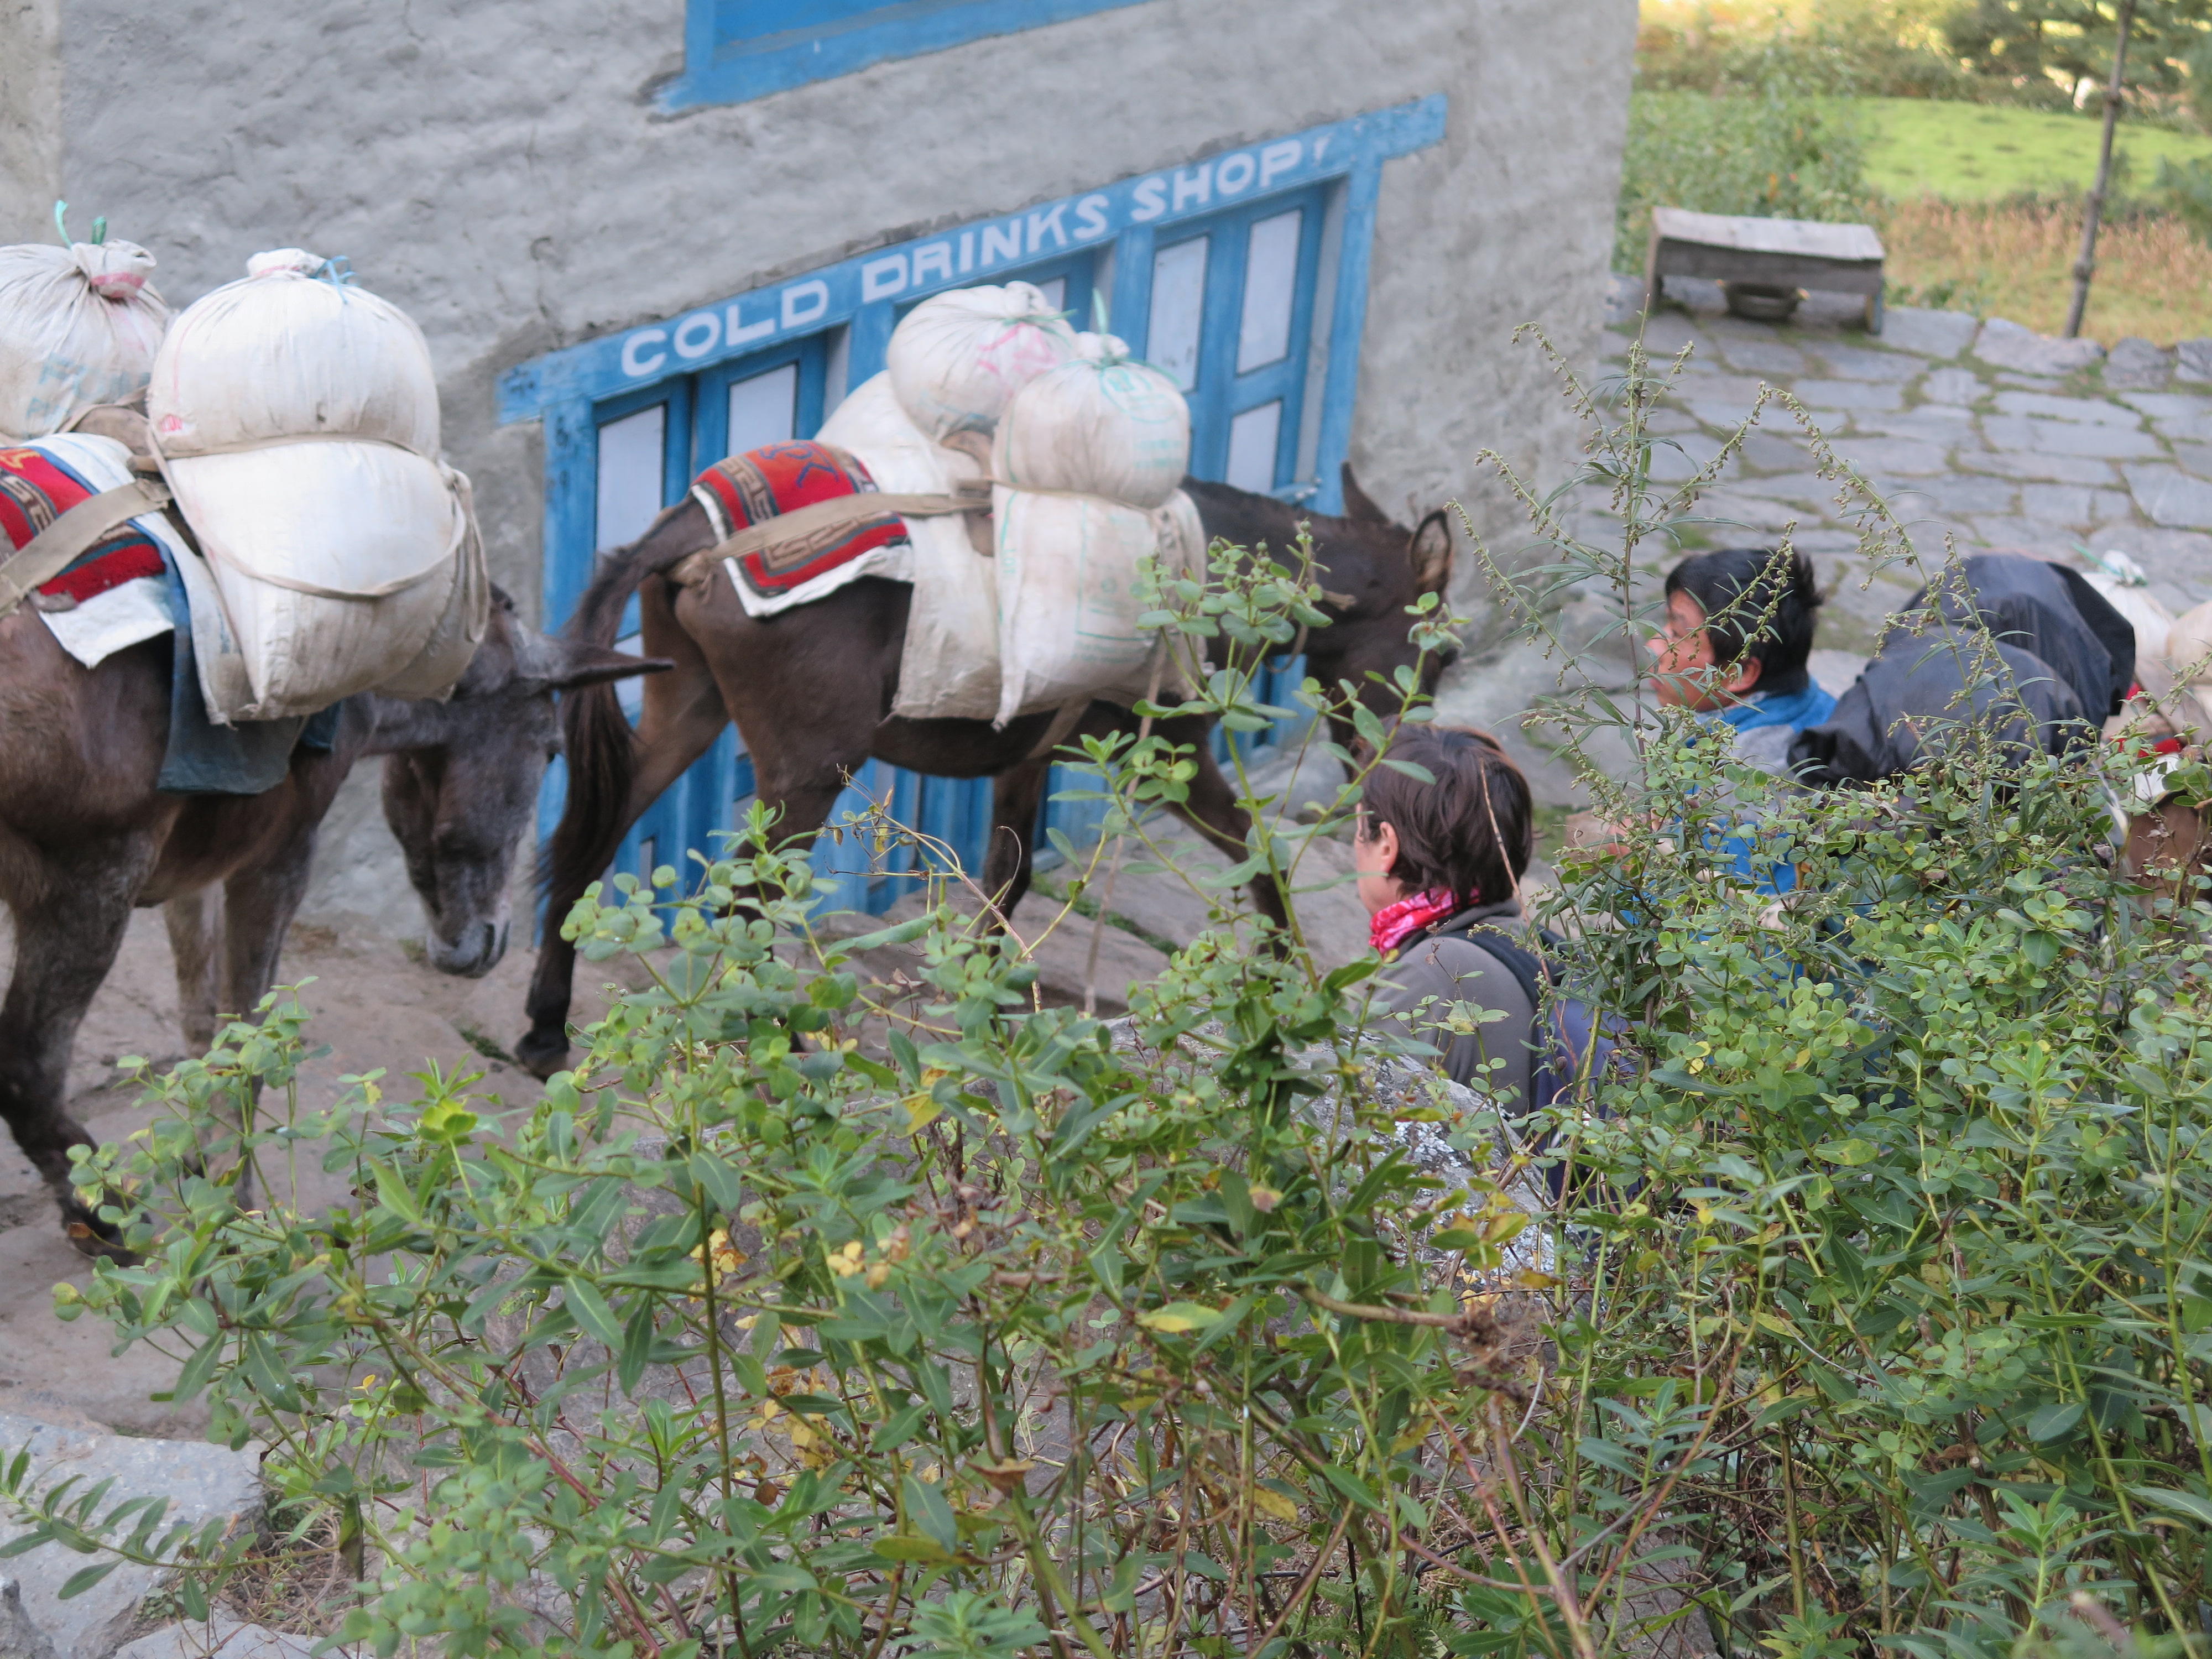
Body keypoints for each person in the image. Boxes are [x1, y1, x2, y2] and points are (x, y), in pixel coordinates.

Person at [1355, 724, 1541, 1112]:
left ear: (1386, 846)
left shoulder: (1428, 974)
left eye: (1358, 831)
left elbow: (1350, 1136)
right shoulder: (1539, 945)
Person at [1648, 546, 1835, 766]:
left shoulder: (1733, 776)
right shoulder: (1813, 699)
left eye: (1678, 634)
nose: (1653, 646)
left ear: (1739, 672)